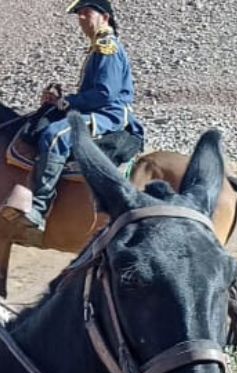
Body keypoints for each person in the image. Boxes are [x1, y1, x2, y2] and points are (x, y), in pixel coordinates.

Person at [3, 0, 143, 233]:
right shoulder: (98, 46)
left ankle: (39, 207)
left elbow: (105, 93)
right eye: (79, 14)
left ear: (105, 17)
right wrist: (61, 100)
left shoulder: (108, 47)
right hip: (97, 109)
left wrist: (68, 102)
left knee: (55, 135)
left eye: (86, 13)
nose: (81, 19)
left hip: (110, 115)